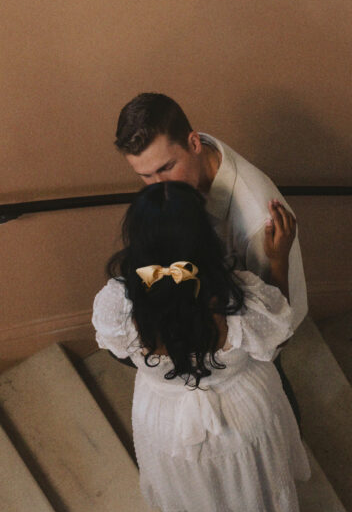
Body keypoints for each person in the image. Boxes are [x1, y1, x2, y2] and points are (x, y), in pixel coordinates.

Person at [92, 181, 310, 512]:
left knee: (193, 482)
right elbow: (280, 335)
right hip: (244, 411)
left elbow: (118, 353)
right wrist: (277, 259)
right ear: (203, 237)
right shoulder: (240, 295)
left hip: (164, 417)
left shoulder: (117, 303)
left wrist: (166, 370)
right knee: (249, 477)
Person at [114, 92, 306, 419]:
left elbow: (270, 325)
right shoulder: (186, 168)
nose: (157, 187)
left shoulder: (258, 221)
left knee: (276, 393)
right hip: (204, 324)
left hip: (253, 342)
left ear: (193, 143)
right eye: (145, 175)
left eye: (165, 168)